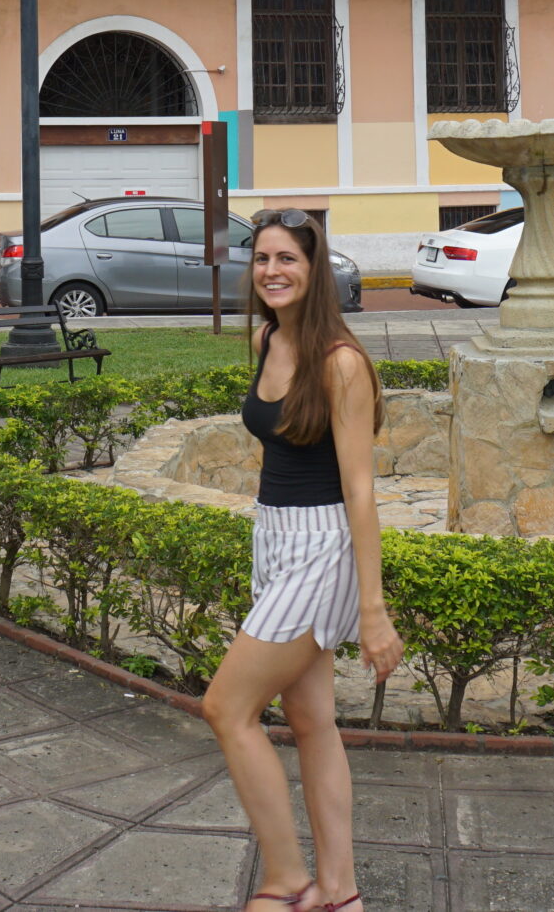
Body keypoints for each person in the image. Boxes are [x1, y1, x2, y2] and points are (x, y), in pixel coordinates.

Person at [203, 208, 402, 912]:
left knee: (227, 706)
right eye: (261, 259)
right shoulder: (266, 337)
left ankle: (286, 879)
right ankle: (340, 892)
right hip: (275, 537)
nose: (272, 271)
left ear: (314, 271)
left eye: (287, 258)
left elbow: (360, 490)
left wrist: (372, 611)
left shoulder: (341, 364)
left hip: (323, 548)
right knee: (313, 720)